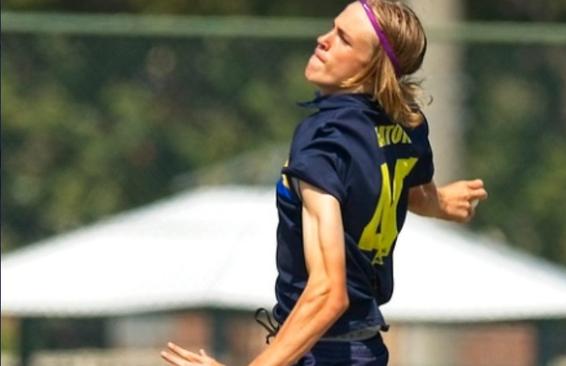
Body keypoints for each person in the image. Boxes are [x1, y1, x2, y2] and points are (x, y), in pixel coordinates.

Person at [161, 0, 487, 365]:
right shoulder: (403, 123)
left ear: (372, 67)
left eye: (344, 40)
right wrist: (441, 201)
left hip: (325, 352)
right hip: (364, 350)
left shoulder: (324, 142)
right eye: (333, 28)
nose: (323, 40)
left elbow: (329, 292)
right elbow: (409, 190)